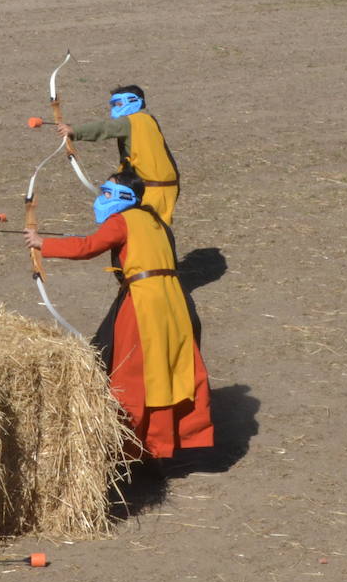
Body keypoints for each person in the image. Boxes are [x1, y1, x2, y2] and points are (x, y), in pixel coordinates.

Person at [23, 170, 213, 460]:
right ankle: (158, 444)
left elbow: (88, 247)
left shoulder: (122, 220)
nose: (102, 199)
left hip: (145, 303)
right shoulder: (156, 221)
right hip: (174, 302)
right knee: (167, 370)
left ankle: (131, 449)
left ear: (126, 196)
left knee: (132, 371)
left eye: (108, 193)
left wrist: (42, 243)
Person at [56, 85, 181, 223]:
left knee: (148, 230)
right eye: (113, 104)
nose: (115, 108)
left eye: (119, 104)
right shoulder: (147, 120)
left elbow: (106, 128)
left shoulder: (134, 120)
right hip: (159, 189)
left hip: (154, 191)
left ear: (133, 101)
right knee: (154, 230)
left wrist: (74, 131)